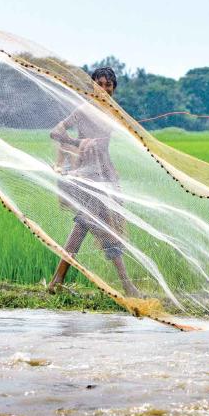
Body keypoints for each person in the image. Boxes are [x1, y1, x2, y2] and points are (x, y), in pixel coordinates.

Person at [47, 67, 140, 296]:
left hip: (106, 176)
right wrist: (79, 142)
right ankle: (127, 285)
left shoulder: (113, 112)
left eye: (108, 85)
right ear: (93, 87)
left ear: (114, 88)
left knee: (82, 227)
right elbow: (55, 132)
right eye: (100, 84)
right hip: (87, 176)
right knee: (101, 226)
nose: (104, 89)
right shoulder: (84, 109)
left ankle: (56, 282)